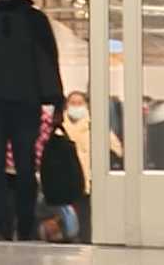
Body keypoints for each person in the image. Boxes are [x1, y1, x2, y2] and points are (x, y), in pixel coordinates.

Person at [0, 0, 64, 241]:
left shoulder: (35, 20)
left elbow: (50, 61)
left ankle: (25, 225)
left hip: (26, 105)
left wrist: (57, 103)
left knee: (26, 167)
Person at [62, 90, 122, 243]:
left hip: (89, 183)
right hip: (66, 184)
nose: (76, 107)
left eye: (79, 103)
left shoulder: (96, 126)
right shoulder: (59, 128)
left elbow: (117, 150)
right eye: (72, 103)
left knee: (86, 221)